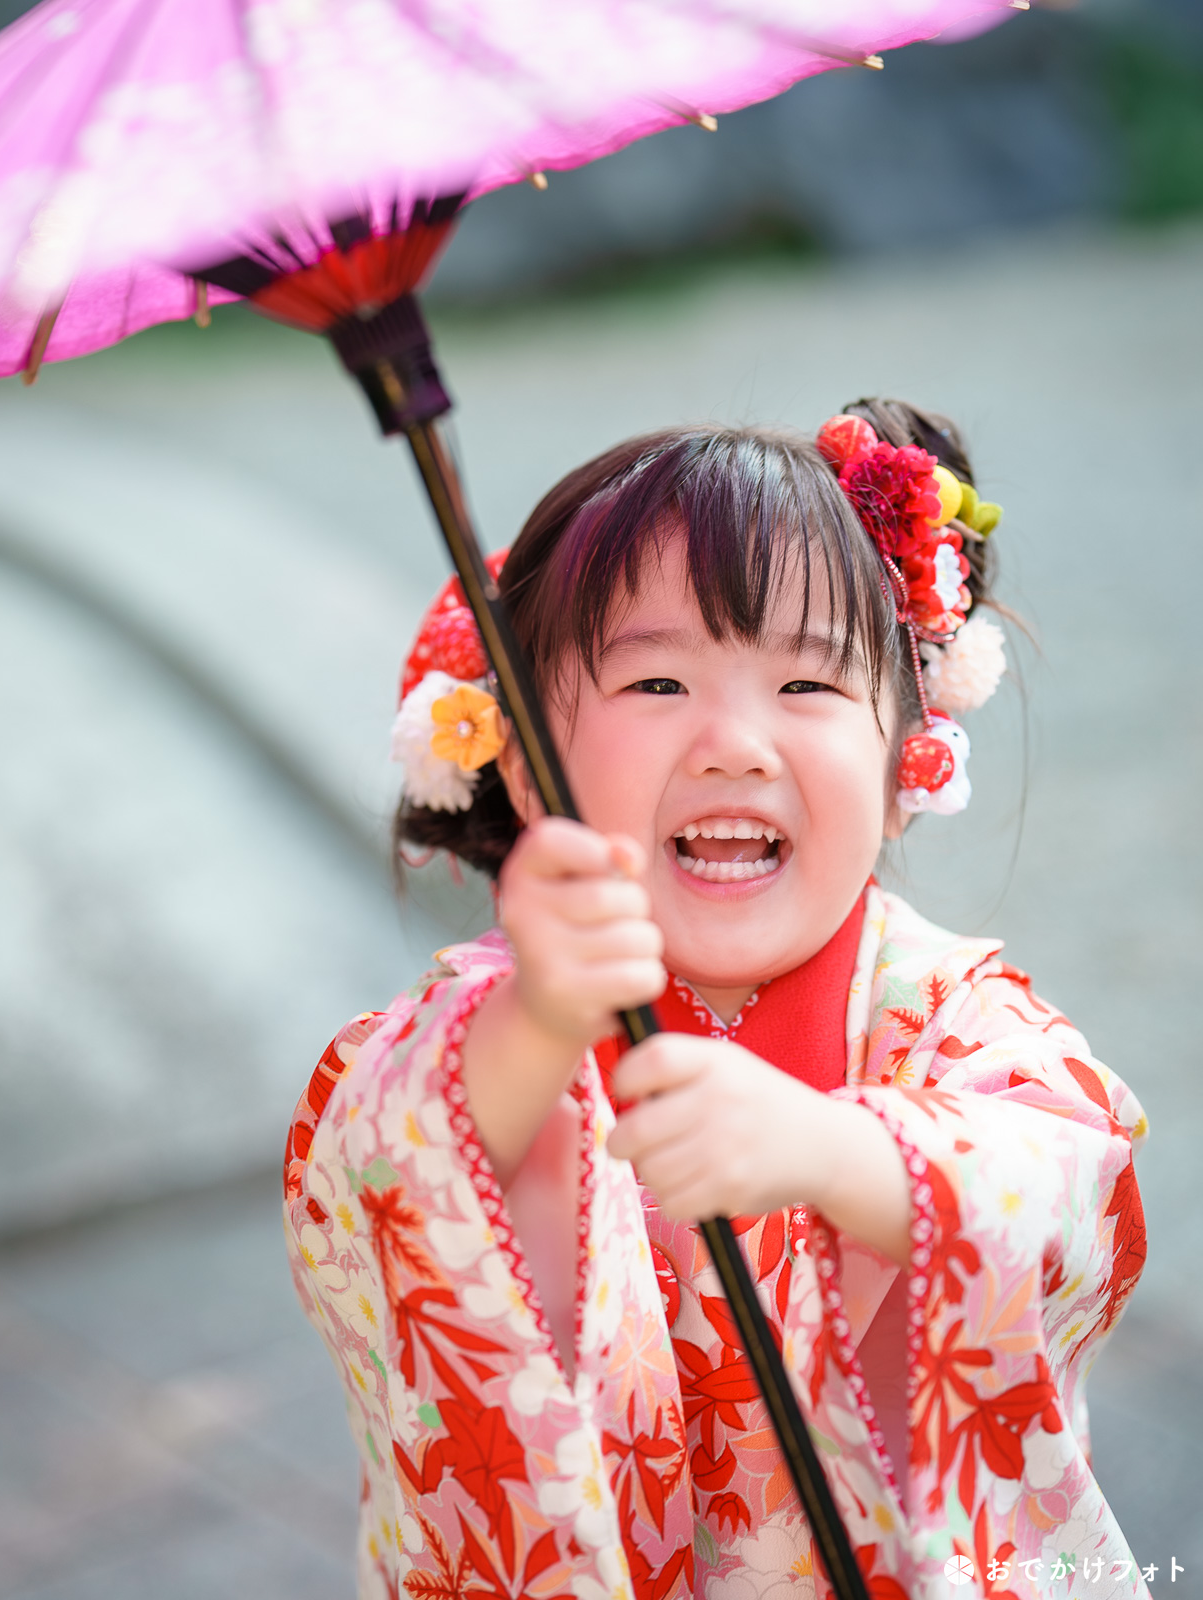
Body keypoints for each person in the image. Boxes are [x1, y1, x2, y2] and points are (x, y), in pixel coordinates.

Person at [283, 401, 1148, 1600]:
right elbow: (378, 1166)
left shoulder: (949, 1020)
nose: (734, 743)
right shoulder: (489, 1029)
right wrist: (535, 1028)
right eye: (655, 678)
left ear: (908, 761)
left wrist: (840, 1153)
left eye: (805, 679)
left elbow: (1071, 1189)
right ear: (529, 767)